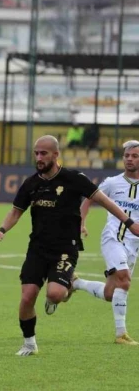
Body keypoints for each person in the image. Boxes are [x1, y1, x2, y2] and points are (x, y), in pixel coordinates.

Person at [0, 135, 139, 356]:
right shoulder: (31, 183)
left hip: (66, 249)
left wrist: (129, 223)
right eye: (36, 153)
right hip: (37, 249)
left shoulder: (74, 178)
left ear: (56, 154)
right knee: (27, 297)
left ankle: (68, 287)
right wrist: (1, 230)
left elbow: (104, 201)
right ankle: (29, 344)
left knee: (55, 294)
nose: (39, 158)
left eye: (44, 153)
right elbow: (16, 212)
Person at [74, 140, 139, 346]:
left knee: (111, 293)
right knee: (124, 279)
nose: (129, 159)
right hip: (113, 238)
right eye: (127, 156)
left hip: (133, 246)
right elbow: (89, 199)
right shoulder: (112, 183)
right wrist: (81, 222)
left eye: (134, 156)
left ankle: (75, 283)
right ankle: (121, 334)